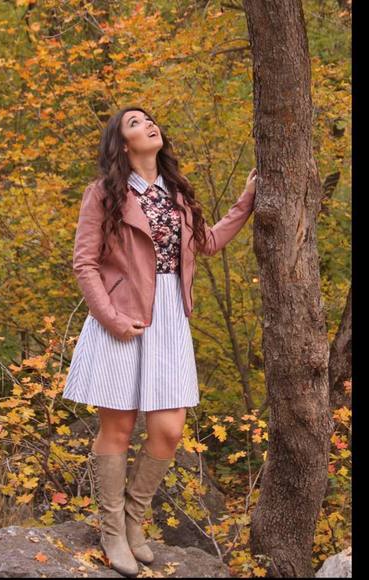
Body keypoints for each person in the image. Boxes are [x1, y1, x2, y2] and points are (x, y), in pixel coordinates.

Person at [63, 106, 257, 577]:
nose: (148, 124)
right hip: (123, 317)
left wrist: (247, 202)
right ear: (122, 143)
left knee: (169, 430)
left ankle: (134, 521)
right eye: (134, 123)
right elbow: (84, 263)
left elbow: (207, 243)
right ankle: (113, 531)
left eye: (149, 119)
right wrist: (111, 318)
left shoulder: (177, 193)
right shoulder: (103, 193)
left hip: (170, 317)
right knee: (119, 429)